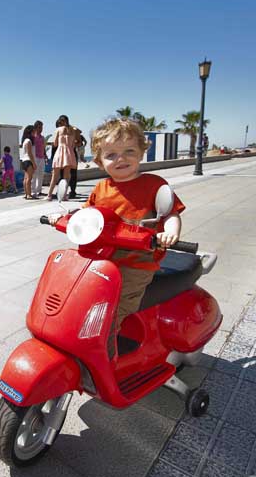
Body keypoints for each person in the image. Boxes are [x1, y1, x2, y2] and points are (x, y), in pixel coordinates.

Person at [75, 117, 184, 335]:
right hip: (101, 257)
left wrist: (170, 232)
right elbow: (87, 213)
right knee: (78, 295)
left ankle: (106, 345)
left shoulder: (154, 184)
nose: (121, 159)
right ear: (99, 161)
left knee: (115, 309)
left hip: (137, 261)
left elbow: (171, 213)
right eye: (111, 155)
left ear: (141, 152)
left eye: (129, 151)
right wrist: (68, 217)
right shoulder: (101, 187)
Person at [46, 115, 77, 201]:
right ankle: (64, 195)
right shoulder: (72, 130)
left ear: (60, 122)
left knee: (55, 176)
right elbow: (73, 145)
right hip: (69, 153)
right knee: (67, 176)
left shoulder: (58, 130)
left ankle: (49, 195)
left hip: (60, 152)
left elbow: (55, 144)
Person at [68, 128, 87, 199]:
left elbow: (80, 142)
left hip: (75, 151)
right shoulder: (76, 134)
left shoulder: (74, 132)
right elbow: (85, 141)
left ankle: (72, 191)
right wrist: (84, 145)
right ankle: (70, 191)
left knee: (72, 173)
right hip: (77, 150)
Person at [19, 125, 37, 200]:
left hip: (24, 161)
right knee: (29, 178)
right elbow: (30, 153)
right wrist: (34, 163)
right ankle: (29, 195)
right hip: (28, 160)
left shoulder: (24, 141)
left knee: (25, 178)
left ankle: (26, 194)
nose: (35, 133)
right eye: (34, 131)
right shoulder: (29, 141)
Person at [31, 121, 47, 198]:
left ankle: (39, 190)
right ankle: (33, 191)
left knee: (41, 175)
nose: (41, 129)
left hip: (42, 158)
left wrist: (45, 156)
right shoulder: (33, 137)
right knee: (34, 175)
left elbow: (43, 148)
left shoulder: (42, 137)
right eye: (39, 127)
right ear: (36, 127)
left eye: (42, 127)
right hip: (35, 158)